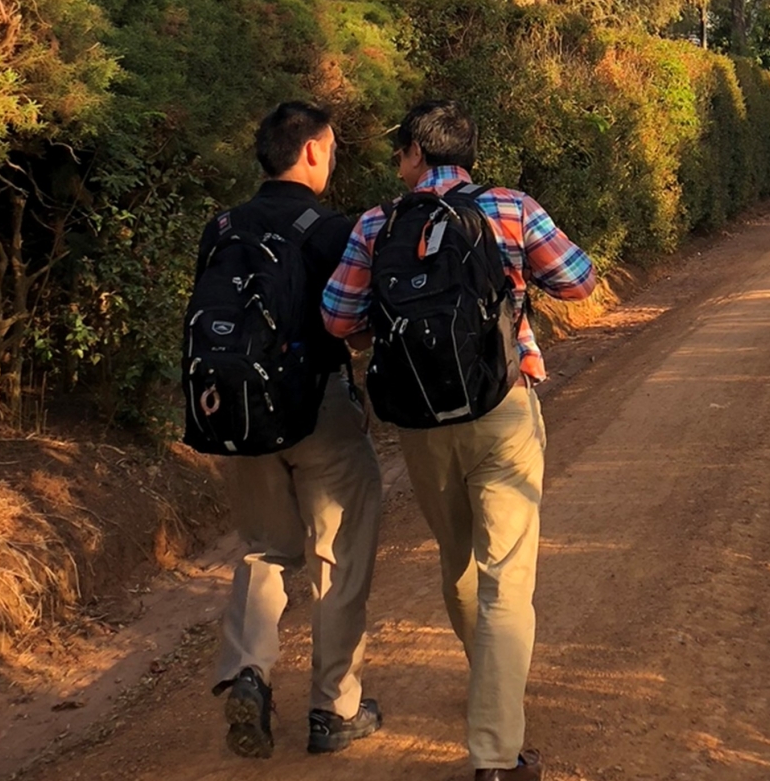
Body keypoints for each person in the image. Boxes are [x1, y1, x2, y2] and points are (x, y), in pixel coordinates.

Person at [323, 99, 598, 781]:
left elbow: (337, 318)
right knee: (507, 575)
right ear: (465, 153)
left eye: (400, 150)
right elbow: (579, 281)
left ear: (417, 153)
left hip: (419, 421)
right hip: (501, 406)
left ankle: (491, 685)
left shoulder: (376, 222)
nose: (397, 161)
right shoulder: (509, 207)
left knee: (458, 561)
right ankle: (495, 754)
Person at [200, 102, 384, 759]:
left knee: (263, 549)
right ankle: (334, 710)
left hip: (242, 414)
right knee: (340, 557)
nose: (331, 160)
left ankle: (249, 670)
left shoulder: (223, 227)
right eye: (330, 149)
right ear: (310, 150)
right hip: (317, 411)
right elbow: (354, 324)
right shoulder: (331, 229)